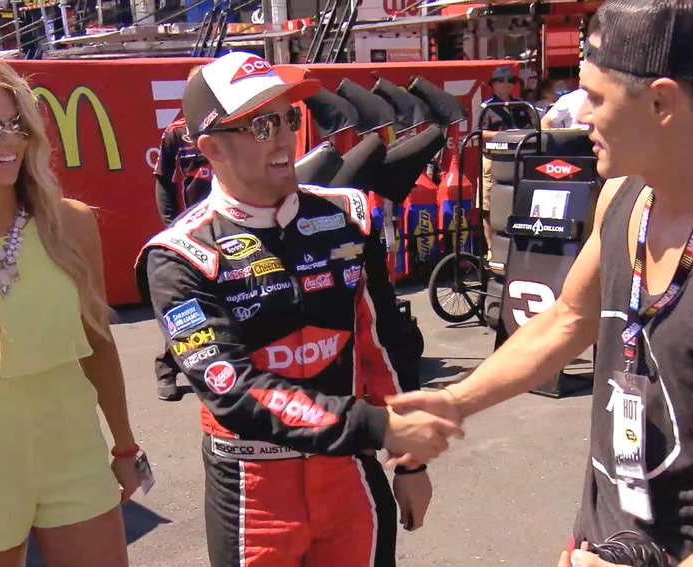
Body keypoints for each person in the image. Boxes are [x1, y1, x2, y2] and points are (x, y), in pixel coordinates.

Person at [387, 1, 693, 566]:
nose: (578, 116)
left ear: (661, 102)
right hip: (603, 545)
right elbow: (569, 318)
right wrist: (453, 402)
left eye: (595, 97)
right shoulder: (625, 196)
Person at [135, 51, 461, 566]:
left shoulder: (348, 216)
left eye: (289, 118)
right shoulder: (180, 254)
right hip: (253, 491)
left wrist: (410, 464)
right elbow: (232, 390)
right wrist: (378, 427)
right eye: (262, 125)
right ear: (212, 148)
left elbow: (382, 347)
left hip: (348, 478)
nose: (286, 139)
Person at [0, 53, 144, 566]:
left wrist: (125, 447)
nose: (8, 141)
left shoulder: (70, 225)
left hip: (74, 448)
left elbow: (98, 344)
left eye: (18, 124)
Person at [152, 65, 214, 401]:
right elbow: (163, 179)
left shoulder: (232, 125)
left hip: (228, 223)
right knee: (186, 301)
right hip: (190, 229)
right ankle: (166, 367)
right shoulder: (177, 133)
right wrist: (171, 224)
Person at [479, 65, 534, 269]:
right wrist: (506, 135)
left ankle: (518, 247)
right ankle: (492, 249)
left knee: (517, 202)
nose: (506, 85)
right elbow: (480, 133)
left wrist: (519, 135)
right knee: (489, 205)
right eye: (501, 81)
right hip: (493, 159)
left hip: (518, 160)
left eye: (510, 81)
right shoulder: (487, 107)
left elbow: (533, 129)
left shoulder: (521, 106)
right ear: (494, 84)